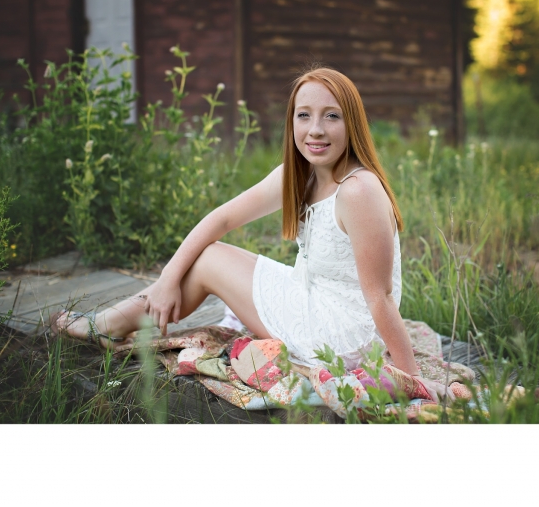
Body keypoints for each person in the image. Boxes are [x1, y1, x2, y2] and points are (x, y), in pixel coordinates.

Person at [50, 66, 454, 402]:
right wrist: (168, 280)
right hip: (314, 301)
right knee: (205, 257)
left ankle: (106, 324)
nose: (315, 129)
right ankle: (119, 319)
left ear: (353, 123)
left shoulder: (359, 190)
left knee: (209, 260)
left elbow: (380, 296)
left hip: (339, 335)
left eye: (331, 116)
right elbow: (221, 219)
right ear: (291, 121)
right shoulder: (302, 174)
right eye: (303, 115)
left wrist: (412, 379)